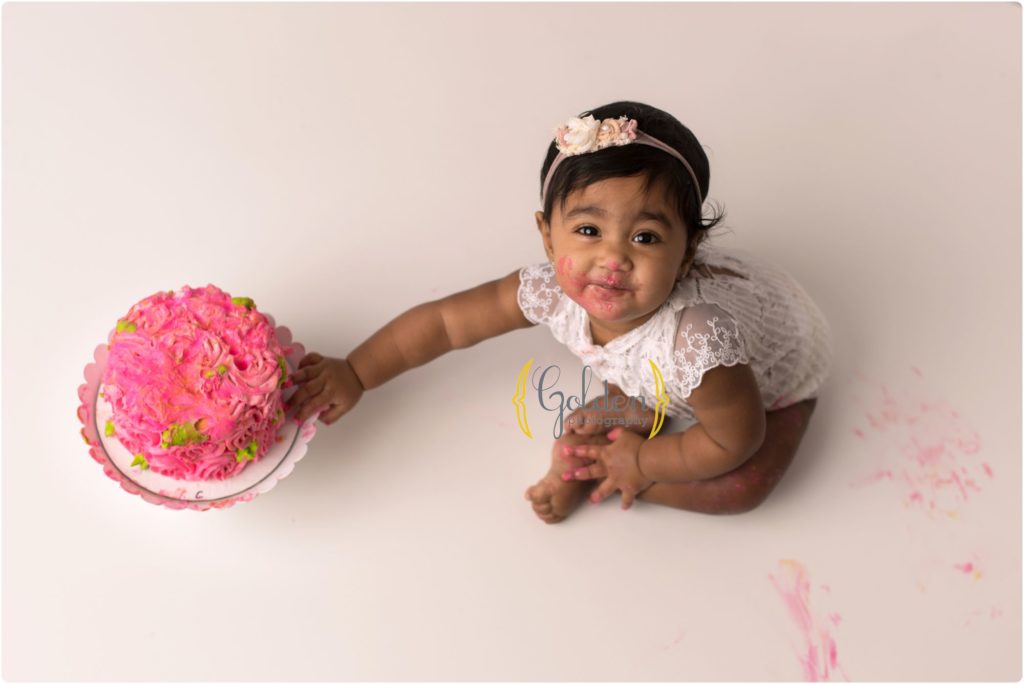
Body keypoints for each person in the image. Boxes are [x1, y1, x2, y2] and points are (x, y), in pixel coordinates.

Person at [285, 100, 834, 524]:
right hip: (662, 383)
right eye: (588, 230)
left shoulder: (698, 342)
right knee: (583, 421)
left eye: (645, 237)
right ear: (548, 237)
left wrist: (642, 464)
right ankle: (608, 455)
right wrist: (356, 372)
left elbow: (734, 439)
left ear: (687, 252)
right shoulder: (550, 289)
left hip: (765, 390)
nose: (612, 259)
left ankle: (622, 476)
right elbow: (445, 325)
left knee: (742, 487)